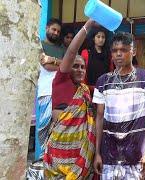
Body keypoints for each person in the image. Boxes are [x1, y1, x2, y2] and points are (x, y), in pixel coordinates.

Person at [92, 32, 145, 179]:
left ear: (133, 51)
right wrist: (97, 153)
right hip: (109, 156)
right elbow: (99, 118)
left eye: (123, 50)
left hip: (137, 157)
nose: (118, 54)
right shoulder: (102, 82)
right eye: (115, 51)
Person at [43, 19, 96, 179]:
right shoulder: (60, 81)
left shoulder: (85, 90)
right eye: (75, 66)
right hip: (58, 154)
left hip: (80, 157)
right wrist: (88, 26)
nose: (80, 70)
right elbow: (72, 51)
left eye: (83, 67)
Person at [35, 18, 66, 160]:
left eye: (58, 31)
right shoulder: (39, 45)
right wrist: (60, 64)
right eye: (53, 29)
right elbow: (45, 65)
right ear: (47, 28)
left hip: (60, 92)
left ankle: (52, 159)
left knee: (58, 128)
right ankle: (43, 159)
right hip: (45, 92)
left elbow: (68, 66)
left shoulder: (62, 49)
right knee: (43, 128)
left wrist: (52, 60)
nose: (56, 33)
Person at [81, 27, 113, 93]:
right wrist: (85, 88)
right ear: (93, 38)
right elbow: (82, 72)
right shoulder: (86, 52)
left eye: (103, 37)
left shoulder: (109, 54)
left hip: (104, 89)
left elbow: (111, 71)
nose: (101, 39)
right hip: (88, 89)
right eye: (98, 37)